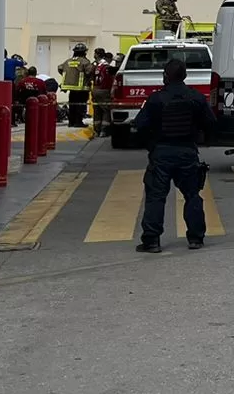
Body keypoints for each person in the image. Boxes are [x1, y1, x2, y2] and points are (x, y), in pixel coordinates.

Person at [131, 58, 214, 253]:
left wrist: (150, 145)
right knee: (192, 195)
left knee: (156, 196)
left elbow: (139, 125)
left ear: (165, 77)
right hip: (187, 152)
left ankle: (152, 241)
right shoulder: (196, 98)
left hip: (161, 152)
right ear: (185, 76)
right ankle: (196, 238)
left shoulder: (156, 99)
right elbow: (210, 123)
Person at [57, 44, 92, 127]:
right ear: (84, 52)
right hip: (81, 88)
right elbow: (89, 72)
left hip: (71, 88)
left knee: (72, 105)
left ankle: (71, 122)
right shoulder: (85, 62)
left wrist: (68, 76)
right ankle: (78, 122)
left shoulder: (68, 61)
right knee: (80, 105)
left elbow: (60, 68)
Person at [91, 50, 117, 136]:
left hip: (95, 89)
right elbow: (110, 81)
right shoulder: (107, 67)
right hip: (104, 90)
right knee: (106, 110)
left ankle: (96, 130)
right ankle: (104, 130)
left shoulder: (97, 65)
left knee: (97, 110)